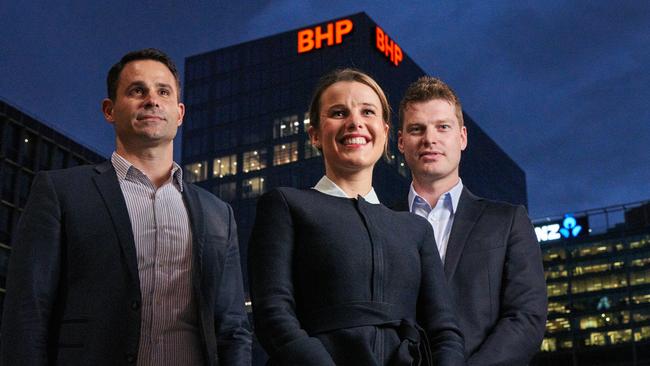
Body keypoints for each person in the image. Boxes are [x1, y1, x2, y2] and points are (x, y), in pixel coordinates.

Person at [0, 48, 251, 366]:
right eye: (137, 90)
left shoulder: (219, 214)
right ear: (109, 109)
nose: (152, 100)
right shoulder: (60, 192)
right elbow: (27, 311)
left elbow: (233, 328)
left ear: (180, 113)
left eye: (163, 91)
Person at [248, 69, 465, 365]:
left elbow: (445, 333)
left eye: (368, 111)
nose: (355, 122)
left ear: (386, 132)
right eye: (338, 113)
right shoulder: (285, 206)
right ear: (314, 134)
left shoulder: (416, 229)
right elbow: (273, 314)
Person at [395, 76, 547, 365]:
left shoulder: (508, 222)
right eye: (417, 129)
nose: (430, 139)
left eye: (443, 127)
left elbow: (526, 317)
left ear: (462, 137)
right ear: (402, 142)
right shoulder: (379, 221)